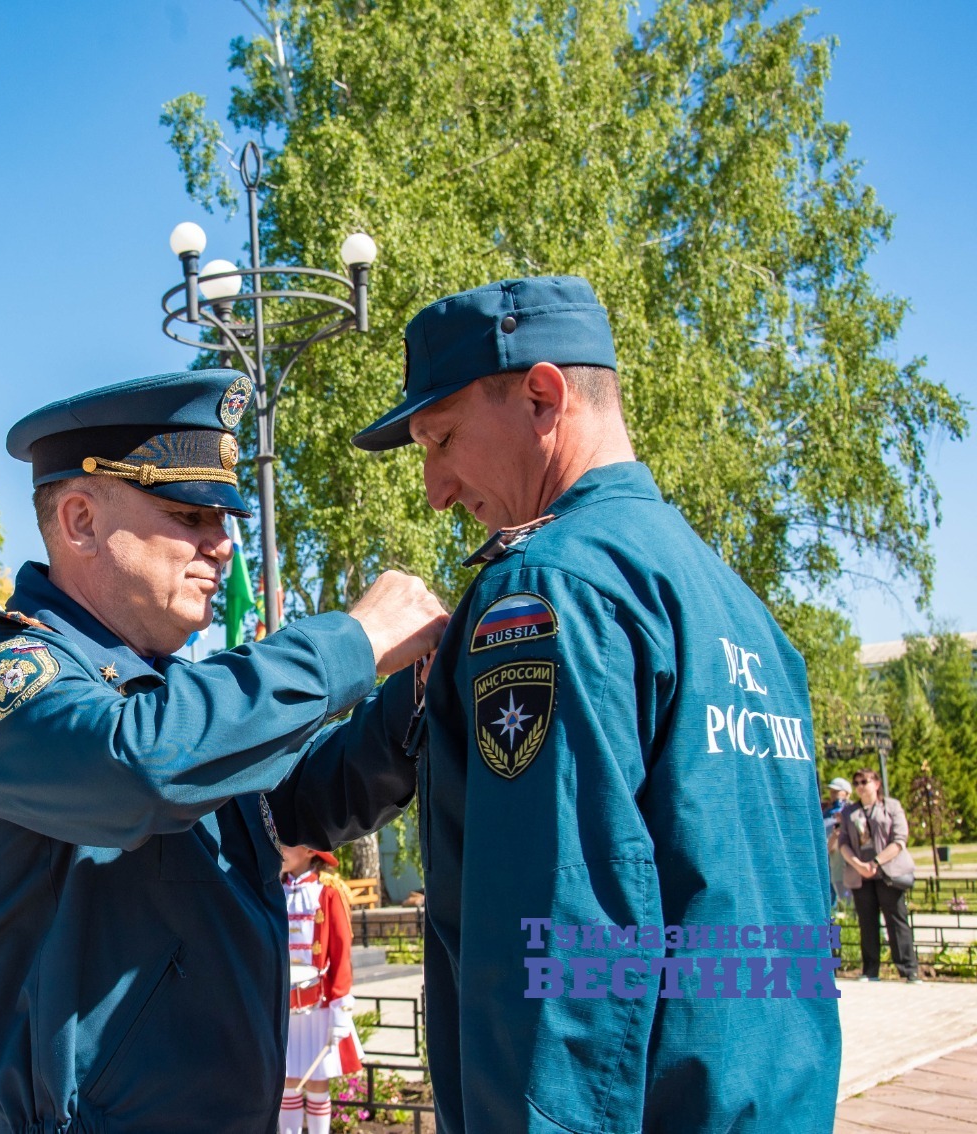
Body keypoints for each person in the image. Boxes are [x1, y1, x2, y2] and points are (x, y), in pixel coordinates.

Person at [352, 277, 841, 1133]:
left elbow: (558, 943)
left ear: (542, 395)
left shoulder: (547, 591)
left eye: (442, 439)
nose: (433, 487)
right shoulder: (735, 607)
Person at [0, 367, 448, 1133]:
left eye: (224, 521)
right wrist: (348, 645)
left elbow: (301, 800)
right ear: (80, 520)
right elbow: (138, 766)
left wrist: (420, 691)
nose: (222, 546)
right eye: (189, 516)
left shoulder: (173, 696)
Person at [279, 845, 363, 1134]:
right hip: (283, 1007)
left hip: (320, 1005)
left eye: (287, 844)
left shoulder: (328, 891)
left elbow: (341, 953)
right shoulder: (274, 888)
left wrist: (341, 1007)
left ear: (308, 851)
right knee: (287, 1080)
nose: (280, 849)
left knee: (316, 1081)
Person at [836, 768, 917, 982]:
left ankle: (908, 969)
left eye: (865, 781)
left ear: (877, 784)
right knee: (867, 922)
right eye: (857, 783)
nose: (861, 786)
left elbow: (900, 839)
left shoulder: (891, 807)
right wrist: (858, 864)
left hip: (889, 872)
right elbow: (843, 842)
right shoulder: (849, 812)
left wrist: (876, 862)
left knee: (896, 921)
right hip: (861, 874)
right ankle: (870, 970)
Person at [823, 777, 853, 908]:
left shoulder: (851, 811)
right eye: (831, 791)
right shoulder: (827, 813)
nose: (833, 794)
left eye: (837, 791)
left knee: (848, 900)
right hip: (827, 855)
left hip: (845, 859)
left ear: (847, 793)